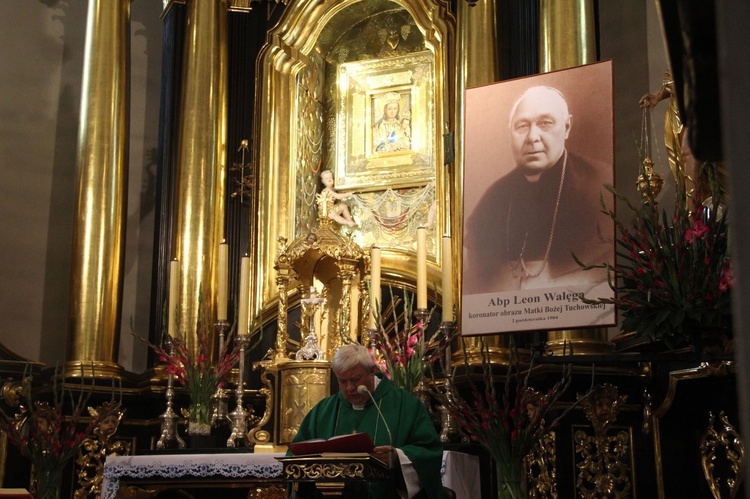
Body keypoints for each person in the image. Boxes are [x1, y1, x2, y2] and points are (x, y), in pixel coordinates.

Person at [463, 85, 611, 293]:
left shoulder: (602, 186)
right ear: (510, 132)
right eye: (522, 126)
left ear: (567, 127)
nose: (533, 137)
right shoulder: (491, 202)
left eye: (545, 123)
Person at [291, 344, 443, 499]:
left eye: (355, 379)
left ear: (372, 371)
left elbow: (429, 452)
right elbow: (294, 456)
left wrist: (398, 456)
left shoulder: (406, 405)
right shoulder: (323, 411)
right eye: (342, 381)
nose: (350, 387)